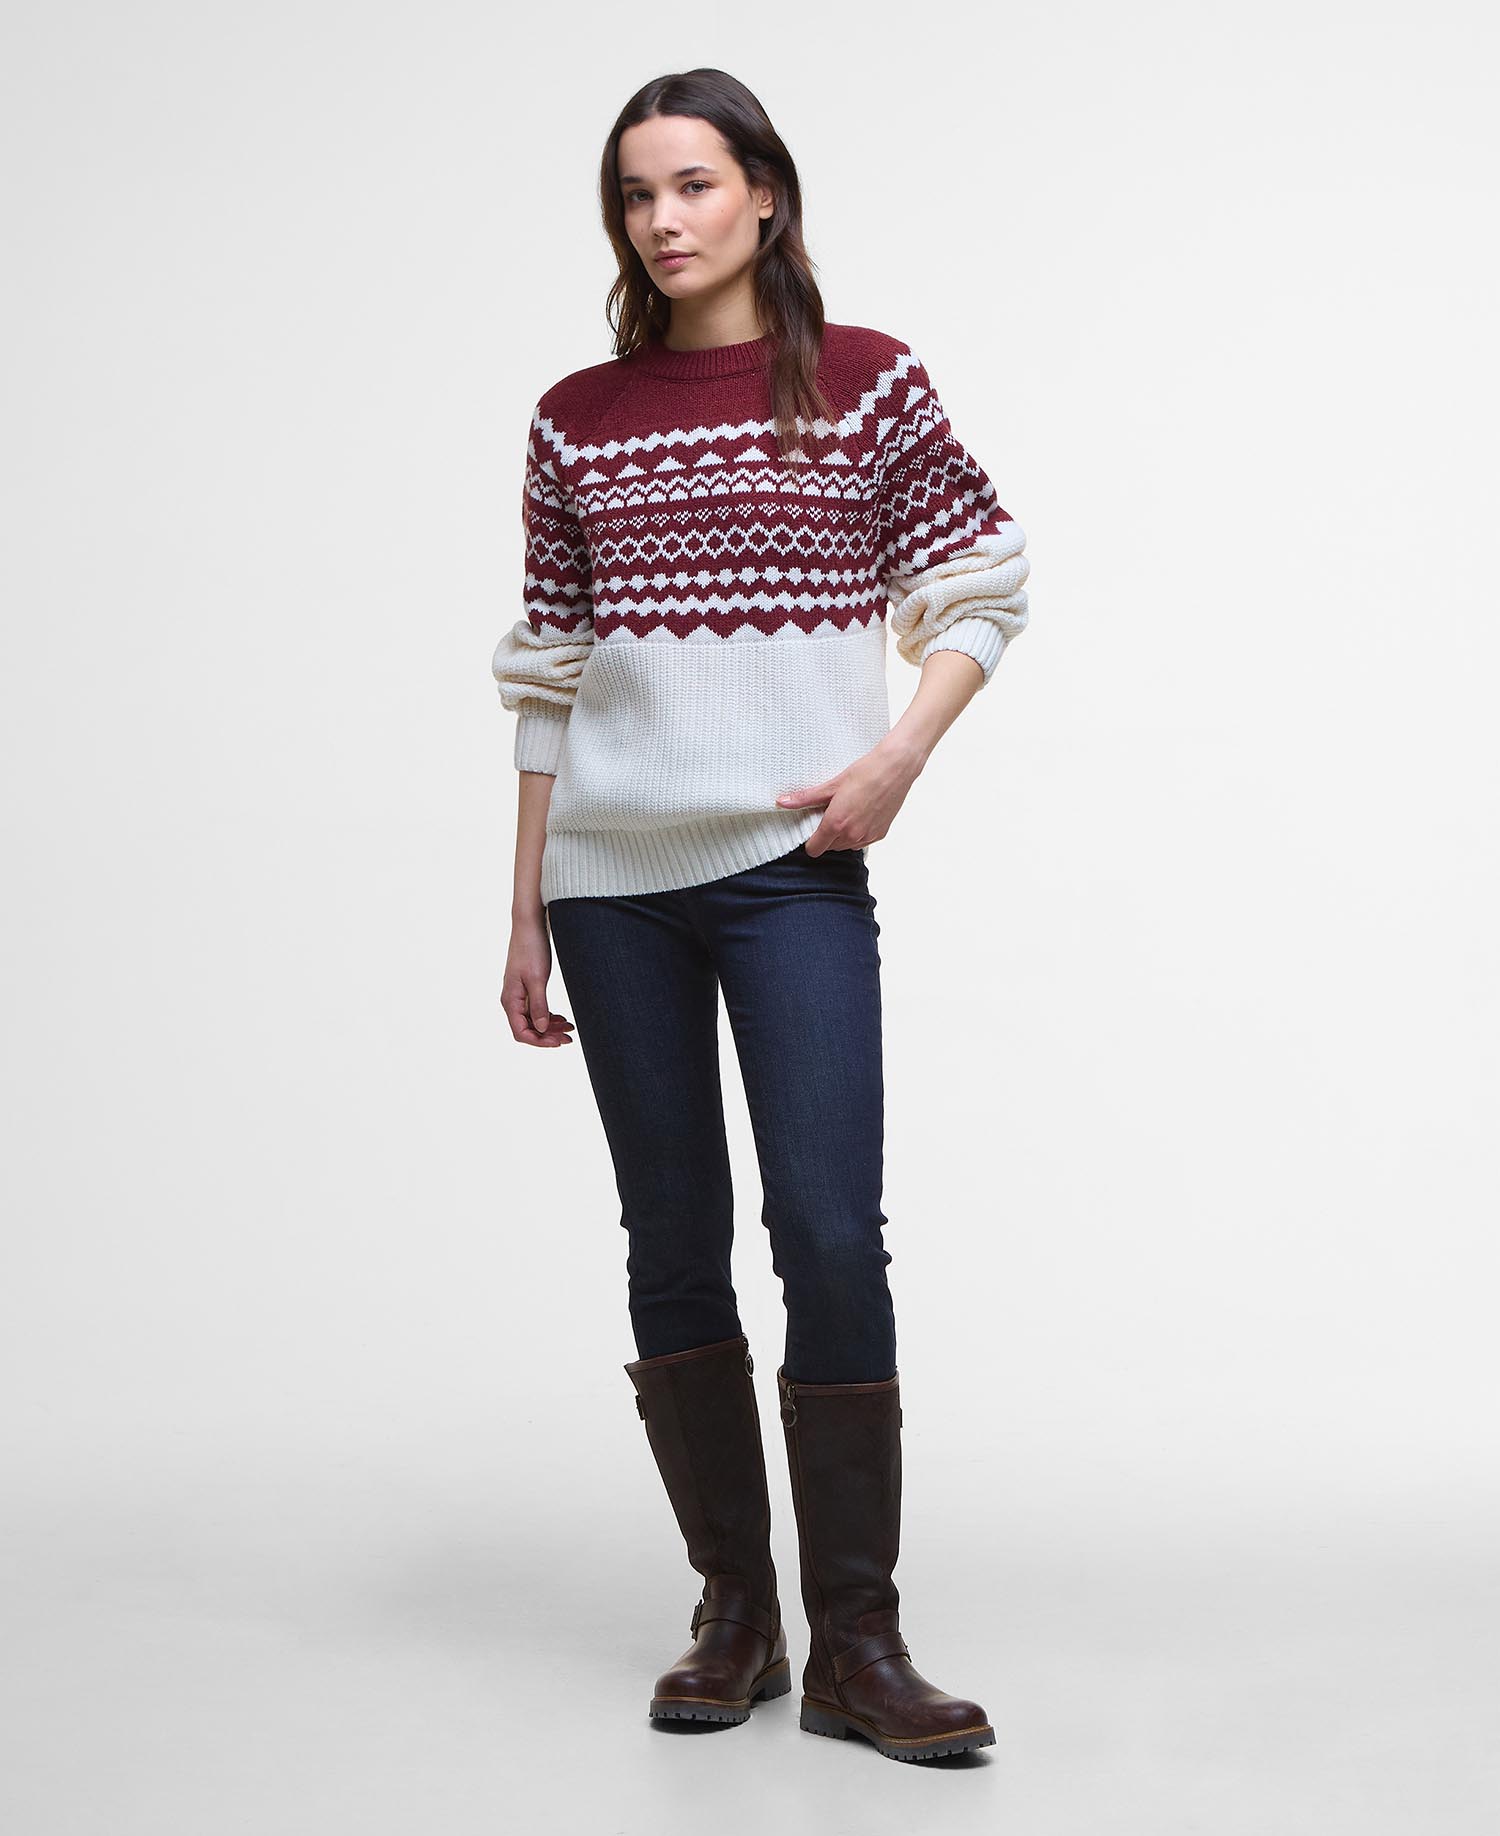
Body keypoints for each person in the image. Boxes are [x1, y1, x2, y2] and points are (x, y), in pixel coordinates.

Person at [491, 69, 1029, 1764]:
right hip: (611, 889)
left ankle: (860, 1639)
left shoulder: (864, 381)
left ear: (765, 195)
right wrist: (525, 905)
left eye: (694, 184)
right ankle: (737, 1612)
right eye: (635, 194)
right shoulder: (576, 416)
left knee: (829, 1231)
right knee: (671, 1238)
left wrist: (898, 759)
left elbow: (985, 582)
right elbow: (548, 673)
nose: (662, 219)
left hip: (792, 871)